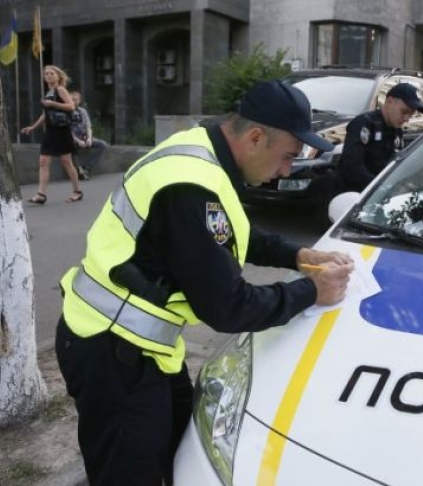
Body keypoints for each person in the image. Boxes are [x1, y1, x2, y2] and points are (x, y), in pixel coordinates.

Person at [55, 80, 355, 486]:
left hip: (137, 347)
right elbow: (229, 307)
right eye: (287, 156)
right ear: (255, 137)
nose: (286, 170)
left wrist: (299, 256)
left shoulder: (200, 149)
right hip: (111, 351)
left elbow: (231, 234)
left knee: (183, 453)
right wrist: (313, 291)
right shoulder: (191, 185)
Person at [338, 83, 423, 192]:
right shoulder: (364, 124)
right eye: (404, 112)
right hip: (355, 194)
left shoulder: (396, 130)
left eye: (411, 115)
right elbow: (352, 167)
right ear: (389, 101)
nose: (407, 119)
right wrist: (381, 189)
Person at [21, 65, 83, 204]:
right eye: (46, 74)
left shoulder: (60, 89)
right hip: (50, 131)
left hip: (62, 130)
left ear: (58, 76)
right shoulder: (48, 93)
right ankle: (41, 195)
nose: (48, 75)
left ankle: (77, 191)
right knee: (43, 161)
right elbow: (46, 114)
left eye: (51, 73)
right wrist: (33, 127)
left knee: (66, 161)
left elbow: (71, 106)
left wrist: (53, 103)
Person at [70, 90, 109, 180]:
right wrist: (78, 141)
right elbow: (68, 131)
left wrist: (89, 138)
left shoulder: (83, 111)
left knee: (102, 145)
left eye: (75, 100)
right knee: (71, 148)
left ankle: (88, 168)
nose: (73, 102)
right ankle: (79, 170)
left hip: (84, 137)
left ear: (79, 101)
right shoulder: (66, 112)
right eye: (72, 99)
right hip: (73, 138)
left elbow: (88, 126)